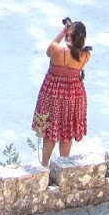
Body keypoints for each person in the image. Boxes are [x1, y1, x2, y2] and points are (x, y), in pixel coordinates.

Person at [32, 18, 90, 164]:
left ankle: (44, 165)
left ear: (69, 35)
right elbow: (75, 52)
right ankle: (64, 166)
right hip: (73, 95)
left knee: (50, 131)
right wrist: (69, 34)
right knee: (66, 133)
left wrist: (62, 32)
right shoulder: (86, 55)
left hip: (54, 92)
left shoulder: (57, 50)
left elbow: (49, 51)